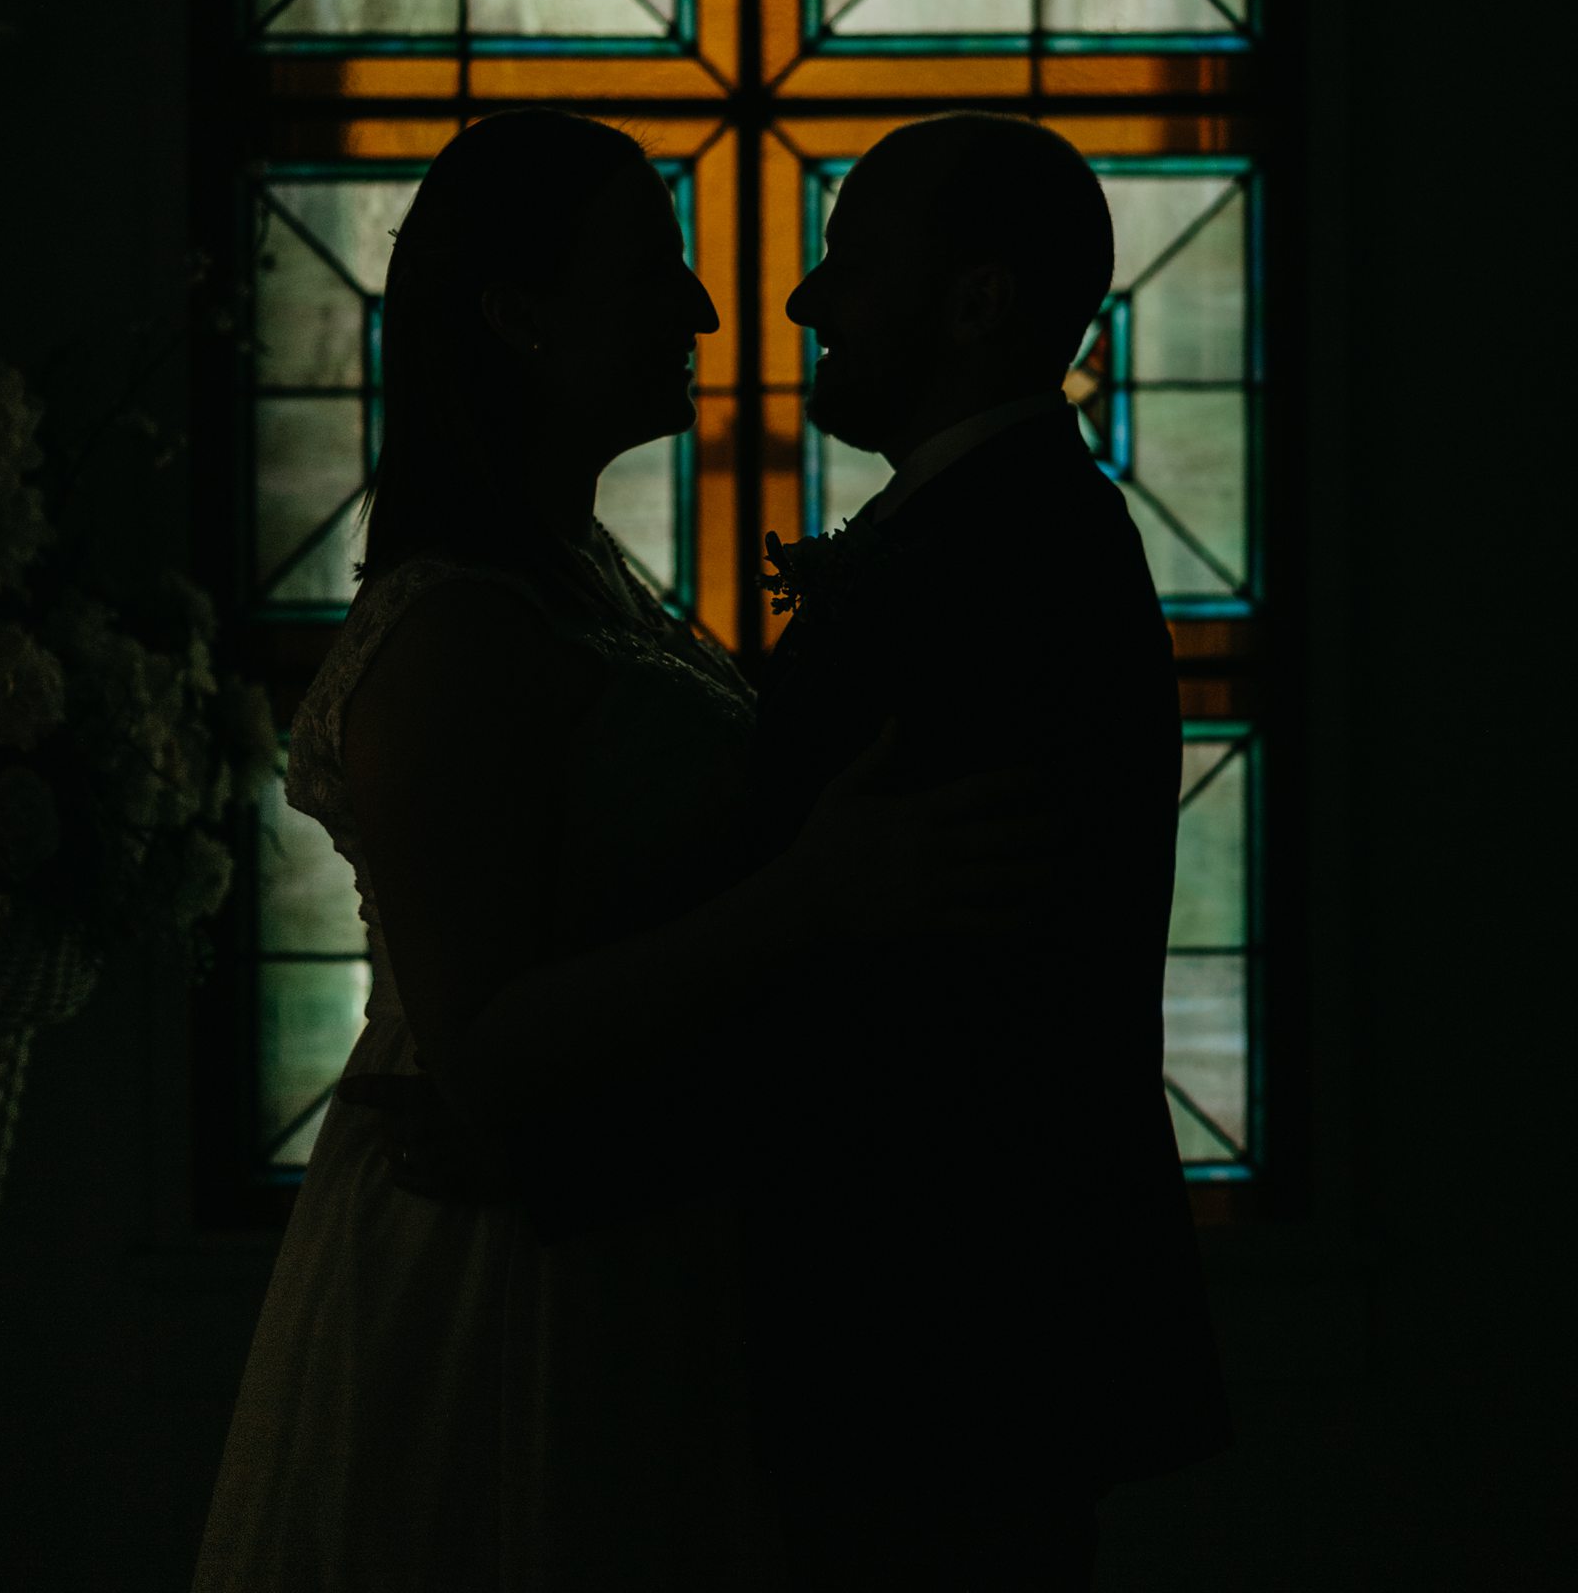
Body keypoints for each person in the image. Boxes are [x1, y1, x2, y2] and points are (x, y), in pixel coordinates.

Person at [343, 111, 1230, 1591]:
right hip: (891, 1333)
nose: (784, 304)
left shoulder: (989, 569)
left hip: (937, 1335)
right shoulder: (977, 540)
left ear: (975, 301)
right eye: (659, 270)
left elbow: (903, 1017)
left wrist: (565, 1143)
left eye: (849, 262)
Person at [192, 110, 1052, 1593]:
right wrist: (807, 900)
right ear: (521, 319)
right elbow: (482, 1057)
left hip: (633, 1236)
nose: (708, 308)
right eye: (652, 272)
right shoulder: (457, 631)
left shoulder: (575, 575)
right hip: (502, 1285)